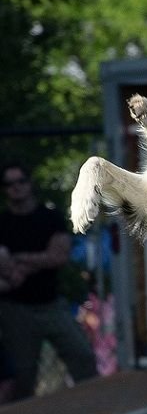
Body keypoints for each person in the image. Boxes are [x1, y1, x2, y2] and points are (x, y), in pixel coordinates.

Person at [0, 162, 97, 400]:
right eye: (9, 184)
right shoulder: (2, 223)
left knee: (82, 355)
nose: (16, 188)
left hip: (52, 303)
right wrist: (34, 261)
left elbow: (58, 257)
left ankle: (95, 411)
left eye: (20, 181)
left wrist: (18, 259)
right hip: (16, 309)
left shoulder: (49, 218)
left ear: (29, 184)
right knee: (23, 373)